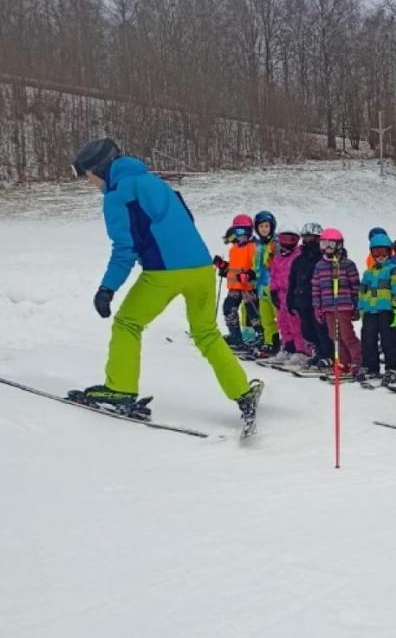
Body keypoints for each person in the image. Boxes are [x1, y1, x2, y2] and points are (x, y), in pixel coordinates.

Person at [69, 137, 259, 427]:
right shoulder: (156, 182)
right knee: (206, 333)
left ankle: (120, 389)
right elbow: (187, 219)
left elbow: (124, 249)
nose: (89, 183)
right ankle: (243, 393)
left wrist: (107, 288)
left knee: (127, 323)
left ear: (99, 169)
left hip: (164, 272)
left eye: (87, 177)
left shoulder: (118, 195)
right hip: (201, 269)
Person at [312, 228, 362, 374]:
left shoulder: (347, 264)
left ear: (339, 245)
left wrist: (356, 305)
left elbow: (355, 287)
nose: (327, 248)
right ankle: (343, 362)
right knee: (335, 337)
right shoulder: (320, 266)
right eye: (324, 244)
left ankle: (357, 361)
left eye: (331, 245)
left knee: (347, 335)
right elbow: (316, 288)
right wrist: (317, 307)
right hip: (328, 307)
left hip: (344, 306)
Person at [359, 232, 396, 381]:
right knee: (368, 339)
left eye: (384, 252)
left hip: (387, 310)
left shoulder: (394, 270)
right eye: (376, 252)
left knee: (389, 340)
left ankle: (393, 368)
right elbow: (362, 291)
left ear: (390, 251)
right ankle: (371, 366)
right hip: (370, 311)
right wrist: (361, 308)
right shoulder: (368, 272)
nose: (380, 255)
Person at [287, 222, 333, 372]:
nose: (308, 240)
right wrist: (290, 299)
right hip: (302, 300)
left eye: (312, 237)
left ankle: (328, 354)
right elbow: (292, 281)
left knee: (321, 329)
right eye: (305, 237)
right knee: (307, 330)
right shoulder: (299, 260)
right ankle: (319, 353)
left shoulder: (324, 258)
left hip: (319, 301)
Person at [267, 229, 312, 369]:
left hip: (292, 293)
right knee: (282, 321)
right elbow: (273, 274)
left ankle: (302, 351)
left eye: (290, 239)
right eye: (283, 239)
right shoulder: (278, 257)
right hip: (280, 293)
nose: (286, 243)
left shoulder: (298, 255)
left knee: (295, 322)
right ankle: (288, 347)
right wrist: (273, 290)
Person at [215, 214, 260, 348]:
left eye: (241, 231)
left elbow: (257, 267)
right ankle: (235, 336)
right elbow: (233, 268)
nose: (239, 235)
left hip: (248, 287)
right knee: (228, 308)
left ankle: (261, 336)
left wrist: (251, 275)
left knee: (252, 312)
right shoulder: (234, 248)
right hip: (235, 287)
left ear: (249, 231)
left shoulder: (253, 247)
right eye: (236, 231)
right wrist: (223, 266)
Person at [252, 211, 279, 357]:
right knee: (265, 317)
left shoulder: (275, 244)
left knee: (280, 317)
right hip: (261, 287)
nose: (263, 229)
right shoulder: (257, 245)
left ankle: (287, 344)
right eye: (261, 226)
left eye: (266, 226)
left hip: (273, 285)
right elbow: (255, 265)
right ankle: (271, 343)